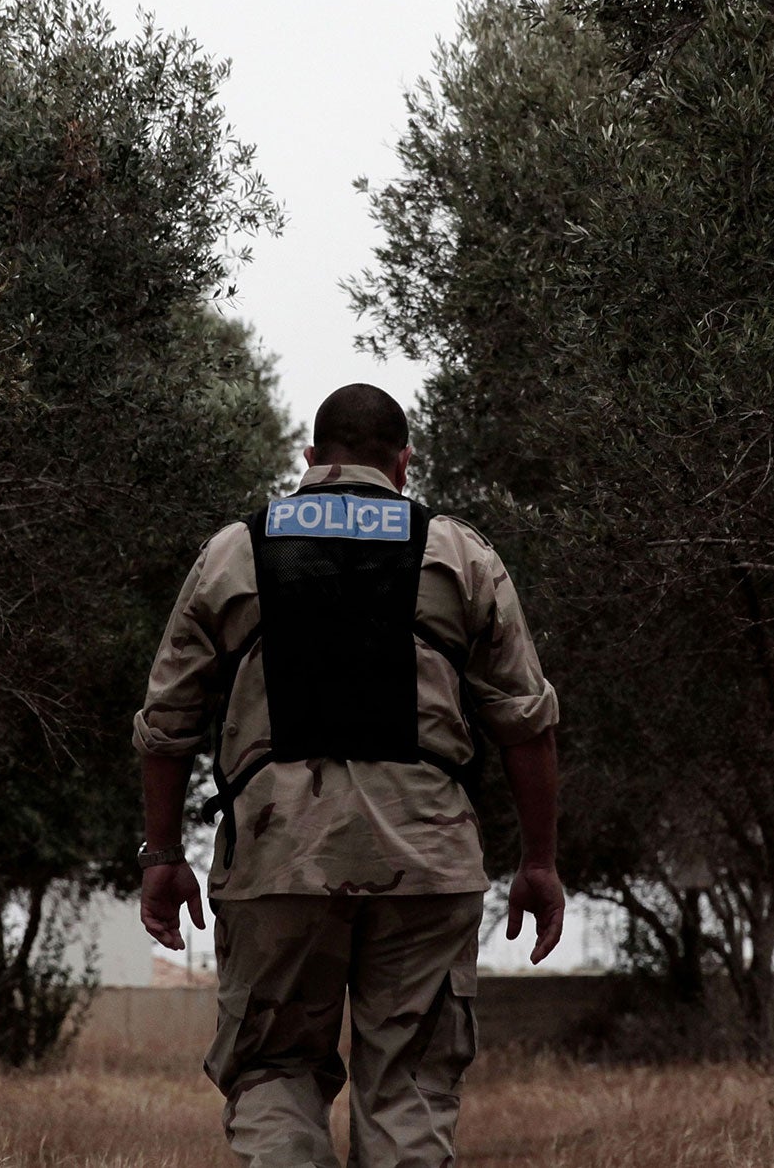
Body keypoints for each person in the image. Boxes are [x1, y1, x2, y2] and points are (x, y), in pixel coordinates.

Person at [133, 382, 564, 1168]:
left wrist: (163, 856)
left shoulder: (234, 550)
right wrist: (538, 862)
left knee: (272, 1071)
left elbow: (166, 726)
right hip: (427, 859)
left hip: (277, 854)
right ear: (403, 463)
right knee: (409, 1090)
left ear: (309, 460)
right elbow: (527, 724)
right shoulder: (459, 551)